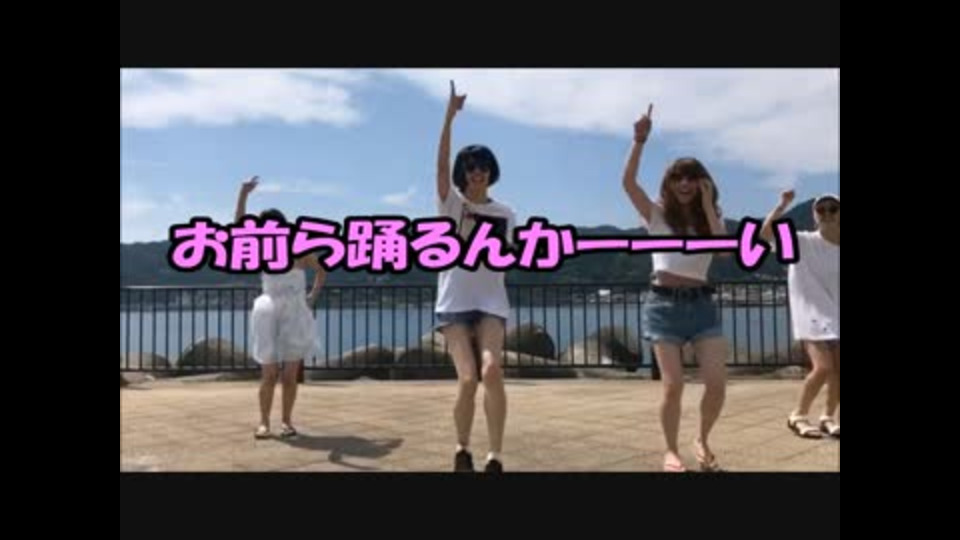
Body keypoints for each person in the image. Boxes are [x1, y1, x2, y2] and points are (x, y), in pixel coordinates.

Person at [622, 104, 729, 472]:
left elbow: (723, 250)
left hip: (702, 306)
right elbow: (628, 184)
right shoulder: (656, 214)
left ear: (702, 183)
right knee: (673, 386)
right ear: (668, 183)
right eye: (678, 178)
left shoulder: (711, 217)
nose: (684, 184)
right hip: (663, 306)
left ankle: (702, 439)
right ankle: (670, 450)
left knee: (716, 384)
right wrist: (639, 141)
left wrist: (708, 205)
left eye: (692, 178)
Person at [434, 81, 516, 472]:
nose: (477, 172)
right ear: (462, 173)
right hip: (454, 302)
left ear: (491, 172)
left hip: (491, 301)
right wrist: (449, 116)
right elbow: (440, 165)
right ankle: (462, 447)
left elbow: (508, 255)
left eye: (483, 166)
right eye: (470, 167)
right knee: (468, 380)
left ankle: (495, 454)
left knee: (492, 371)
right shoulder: (451, 204)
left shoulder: (505, 213)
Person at [234, 176, 326, 440]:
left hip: (295, 313)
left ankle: (286, 422)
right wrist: (243, 194)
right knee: (269, 373)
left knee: (289, 375)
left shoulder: (299, 249)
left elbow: (321, 271)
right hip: (268, 311)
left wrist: (311, 297)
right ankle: (264, 423)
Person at [760, 191, 839, 439]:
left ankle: (828, 417)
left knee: (838, 370)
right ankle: (798, 415)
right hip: (810, 314)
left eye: (833, 209)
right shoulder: (801, 241)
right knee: (823, 367)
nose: (827, 213)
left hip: (836, 314)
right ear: (814, 216)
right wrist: (782, 205)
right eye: (821, 210)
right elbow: (765, 235)